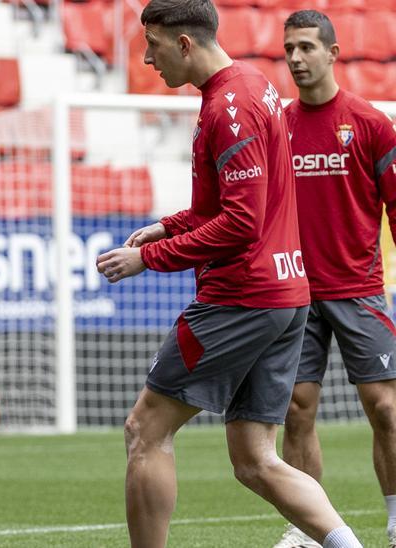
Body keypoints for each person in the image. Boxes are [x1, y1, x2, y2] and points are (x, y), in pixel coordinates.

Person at [95, 1, 360, 546]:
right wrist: (167, 228)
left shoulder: (228, 106)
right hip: (287, 295)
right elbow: (232, 204)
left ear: (185, 44)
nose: (147, 59)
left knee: (146, 429)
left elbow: (240, 223)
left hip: (241, 297)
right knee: (255, 458)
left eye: (154, 45)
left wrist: (149, 259)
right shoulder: (255, 85)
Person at [273, 10, 396, 548]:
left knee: (387, 408)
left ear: (332, 52)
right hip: (297, 292)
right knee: (297, 411)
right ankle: (307, 531)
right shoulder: (278, 125)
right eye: (288, 49)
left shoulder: (371, 124)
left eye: (305, 48)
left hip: (360, 289)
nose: (296, 58)